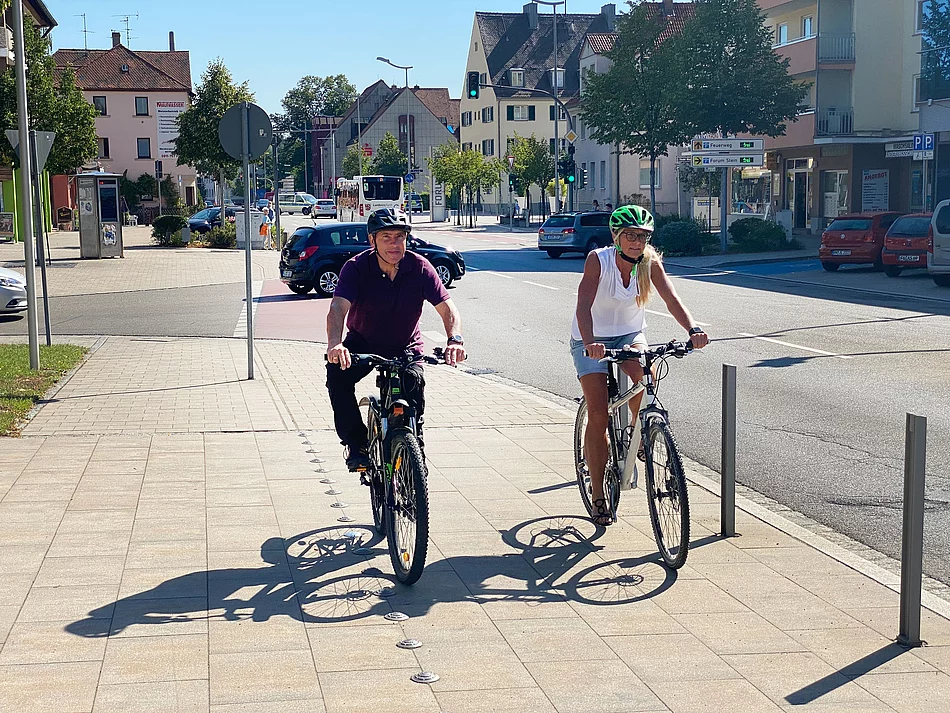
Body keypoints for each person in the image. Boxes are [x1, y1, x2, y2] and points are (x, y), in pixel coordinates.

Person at [571, 205, 708, 526]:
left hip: (630, 334)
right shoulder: (598, 260)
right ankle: (598, 494)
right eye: (630, 236)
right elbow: (583, 304)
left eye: (643, 236)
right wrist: (590, 342)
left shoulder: (650, 262)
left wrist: (693, 330)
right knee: (599, 412)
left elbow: (672, 299)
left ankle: (641, 431)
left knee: (646, 376)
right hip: (591, 339)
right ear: (616, 237)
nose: (637, 242)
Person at [326, 207, 466, 472]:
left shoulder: (420, 267)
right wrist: (335, 344)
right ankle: (357, 444)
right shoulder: (356, 268)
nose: (394, 244)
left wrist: (455, 339)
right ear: (372, 240)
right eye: (386, 237)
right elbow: (337, 308)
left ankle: (413, 446)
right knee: (337, 377)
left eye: (399, 236)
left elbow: (447, 308)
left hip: (406, 347)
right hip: (363, 343)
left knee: (413, 388)